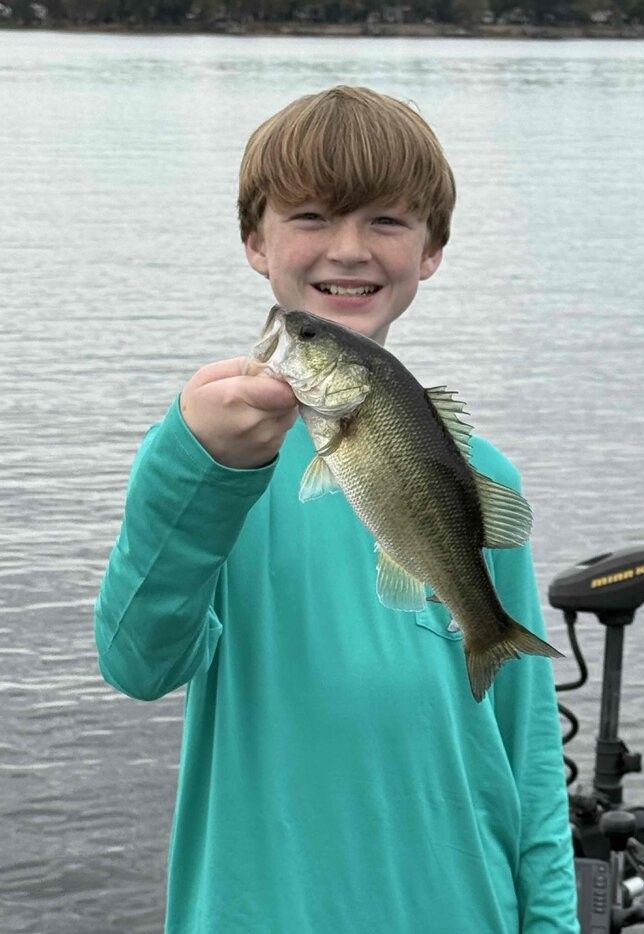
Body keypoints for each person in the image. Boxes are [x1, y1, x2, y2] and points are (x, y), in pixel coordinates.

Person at [95, 85, 579, 934]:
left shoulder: (481, 472)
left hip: (468, 911)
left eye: (388, 222)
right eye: (312, 216)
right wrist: (193, 466)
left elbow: (530, 760)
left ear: (432, 251)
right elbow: (139, 663)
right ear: (256, 242)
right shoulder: (208, 461)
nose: (348, 249)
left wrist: (551, 921)